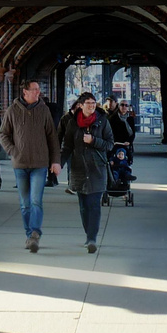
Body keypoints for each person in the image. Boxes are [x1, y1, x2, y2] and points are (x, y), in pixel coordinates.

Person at [0, 79, 60, 252]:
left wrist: (55, 160)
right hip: (20, 164)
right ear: (25, 92)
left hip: (40, 164)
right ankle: (28, 235)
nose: (37, 92)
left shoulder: (44, 110)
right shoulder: (13, 111)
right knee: (25, 204)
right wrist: (12, 150)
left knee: (35, 200)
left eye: (38, 89)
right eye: (34, 90)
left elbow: (52, 137)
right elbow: (3, 133)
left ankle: (35, 233)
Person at [60, 91, 114, 253]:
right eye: (88, 103)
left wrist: (94, 141)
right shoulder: (72, 123)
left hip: (97, 168)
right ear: (80, 105)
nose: (91, 106)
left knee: (94, 204)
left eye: (93, 103)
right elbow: (67, 146)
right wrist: (59, 164)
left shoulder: (102, 122)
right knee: (83, 206)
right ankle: (88, 233)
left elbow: (110, 144)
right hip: (79, 169)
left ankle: (92, 238)